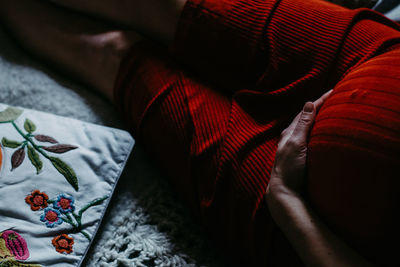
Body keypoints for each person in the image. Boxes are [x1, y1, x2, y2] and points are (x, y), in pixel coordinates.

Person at [0, 0, 399, 266]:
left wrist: (287, 204)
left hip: (306, 219)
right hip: (379, 61)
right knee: (165, 6)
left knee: (113, 53)